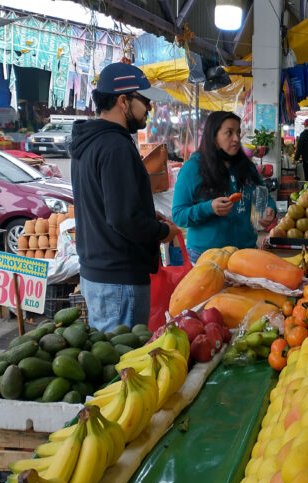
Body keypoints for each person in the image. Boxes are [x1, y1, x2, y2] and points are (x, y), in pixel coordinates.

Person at [70, 62, 179, 332]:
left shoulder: (90, 142)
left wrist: (144, 211)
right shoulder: (115, 146)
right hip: (119, 279)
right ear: (123, 101)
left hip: (99, 273)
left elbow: (104, 202)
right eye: (144, 100)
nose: (150, 108)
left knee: (112, 362)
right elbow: (123, 219)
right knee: (124, 365)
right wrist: (162, 230)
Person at [171, 111, 277, 263]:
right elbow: (178, 215)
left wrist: (268, 209)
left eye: (238, 132)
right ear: (214, 137)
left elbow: (261, 196)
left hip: (245, 254)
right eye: (229, 133)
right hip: (206, 257)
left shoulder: (246, 166)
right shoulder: (193, 168)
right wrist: (209, 208)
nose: (236, 138)